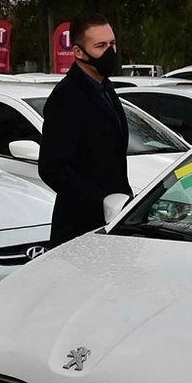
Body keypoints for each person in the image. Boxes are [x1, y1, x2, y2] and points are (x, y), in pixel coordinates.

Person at [39, 13, 132, 246]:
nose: (110, 52)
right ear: (79, 52)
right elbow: (52, 168)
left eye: (112, 43)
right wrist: (100, 201)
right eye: (100, 46)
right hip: (79, 229)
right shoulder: (66, 97)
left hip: (113, 223)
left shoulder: (105, 86)